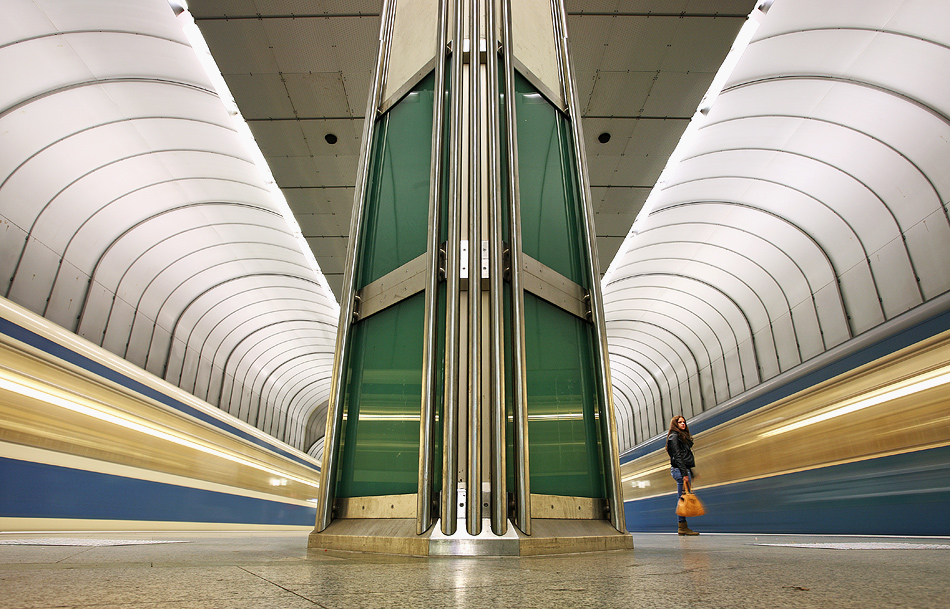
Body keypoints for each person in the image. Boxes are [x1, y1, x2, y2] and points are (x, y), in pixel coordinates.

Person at [667, 415, 699, 535]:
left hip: (683, 470)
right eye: (680, 422)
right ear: (675, 424)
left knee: (683, 497)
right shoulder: (674, 437)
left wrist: (691, 472)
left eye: (684, 422)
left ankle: (683, 526)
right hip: (680, 470)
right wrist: (685, 473)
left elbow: (685, 457)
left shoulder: (681, 437)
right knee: (682, 498)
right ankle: (682, 526)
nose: (683, 424)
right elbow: (678, 456)